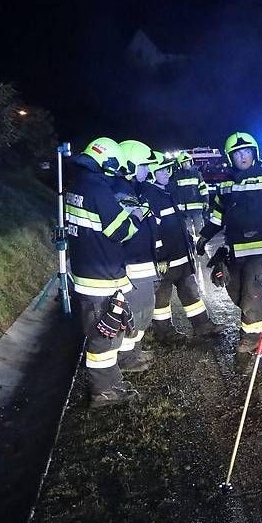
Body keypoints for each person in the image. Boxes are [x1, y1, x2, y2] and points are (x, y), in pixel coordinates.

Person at [195, 132, 262, 366]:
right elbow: (217, 215)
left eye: (246, 152)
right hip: (235, 249)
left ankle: (251, 338)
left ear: (254, 154)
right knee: (234, 291)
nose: (242, 156)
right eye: (237, 153)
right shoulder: (224, 183)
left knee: (252, 295)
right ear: (230, 157)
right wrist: (204, 236)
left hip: (261, 249)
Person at [65, 137, 141, 407]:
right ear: (108, 162)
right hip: (100, 278)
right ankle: (104, 392)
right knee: (105, 338)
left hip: (86, 273)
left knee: (103, 334)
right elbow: (121, 231)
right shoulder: (97, 188)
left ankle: (110, 384)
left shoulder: (77, 184)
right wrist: (134, 215)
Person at [146, 151, 215, 342]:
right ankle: (164, 332)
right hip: (166, 259)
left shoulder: (165, 192)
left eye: (168, 170)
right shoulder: (151, 196)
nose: (167, 174)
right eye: (162, 171)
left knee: (190, 289)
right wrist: (159, 255)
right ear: (152, 173)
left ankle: (203, 325)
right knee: (162, 296)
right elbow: (153, 230)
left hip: (180, 254)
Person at [116, 140, 161, 373]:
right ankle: (126, 358)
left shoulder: (132, 190)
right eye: (144, 165)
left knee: (144, 310)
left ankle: (133, 351)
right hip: (132, 265)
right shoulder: (120, 191)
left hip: (142, 262)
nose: (148, 170)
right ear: (131, 164)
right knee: (137, 309)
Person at [171, 151, 209, 234]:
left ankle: (201, 246)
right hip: (184, 209)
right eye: (184, 163)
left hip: (197, 208)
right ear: (180, 164)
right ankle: (191, 246)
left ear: (191, 162)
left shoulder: (197, 174)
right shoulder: (177, 176)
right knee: (188, 232)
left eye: (187, 161)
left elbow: (203, 189)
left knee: (200, 230)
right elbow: (174, 193)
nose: (186, 164)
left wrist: (206, 201)